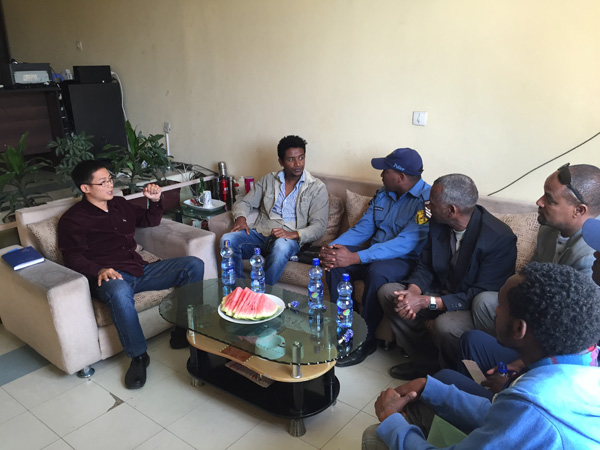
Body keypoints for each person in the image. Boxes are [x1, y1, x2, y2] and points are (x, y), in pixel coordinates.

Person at [363, 262, 600, 449]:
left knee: (375, 437)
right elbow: (500, 415)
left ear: (519, 328)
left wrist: (392, 420)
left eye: (501, 306)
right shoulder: (581, 367)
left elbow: (519, 415)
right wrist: (431, 388)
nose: (495, 310)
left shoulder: (533, 405)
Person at [58, 160, 204, 389]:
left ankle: (182, 329)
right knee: (118, 291)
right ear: (85, 188)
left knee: (193, 265)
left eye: (110, 179)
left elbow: (149, 220)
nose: (110, 185)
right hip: (110, 277)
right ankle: (138, 357)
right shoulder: (73, 220)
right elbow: (72, 257)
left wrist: (154, 201)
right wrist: (99, 270)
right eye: (103, 182)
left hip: (139, 269)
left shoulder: (119, 204)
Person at [378, 174, 517, 379]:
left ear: (451, 210)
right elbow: (425, 265)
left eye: (432, 204)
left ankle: (451, 375)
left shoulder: (499, 238)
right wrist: (413, 292)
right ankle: (426, 364)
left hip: (468, 304)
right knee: (390, 294)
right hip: (438, 289)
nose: (427, 206)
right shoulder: (437, 222)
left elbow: (481, 294)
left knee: (447, 326)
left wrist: (426, 302)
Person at [319, 148, 431, 367]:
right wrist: (333, 247)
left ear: (400, 176)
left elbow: (406, 243)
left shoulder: (426, 202)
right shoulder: (383, 193)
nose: (381, 174)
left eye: (385, 171)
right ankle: (345, 328)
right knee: (336, 263)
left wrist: (355, 257)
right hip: (373, 253)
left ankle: (366, 339)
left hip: (404, 260)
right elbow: (363, 229)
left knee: (377, 272)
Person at [471, 163, 600, 335]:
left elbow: (573, 320)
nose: (539, 202)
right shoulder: (548, 228)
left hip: (560, 323)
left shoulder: (591, 254)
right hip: (535, 301)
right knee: (484, 302)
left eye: (549, 199)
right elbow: (530, 273)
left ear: (579, 210)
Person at [222, 135, 328, 285]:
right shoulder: (268, 180)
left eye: (301, 157)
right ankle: (239, 291)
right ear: (281, 161)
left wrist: (293, 234)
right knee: (227, 240)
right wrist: (240, 218)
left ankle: (262, 293)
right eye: (291, 159)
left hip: (288, 240)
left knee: (281, 247)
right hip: (262, 233)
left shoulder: (316, 188)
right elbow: (245, 202)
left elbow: (319, 226)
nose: (298, 164)